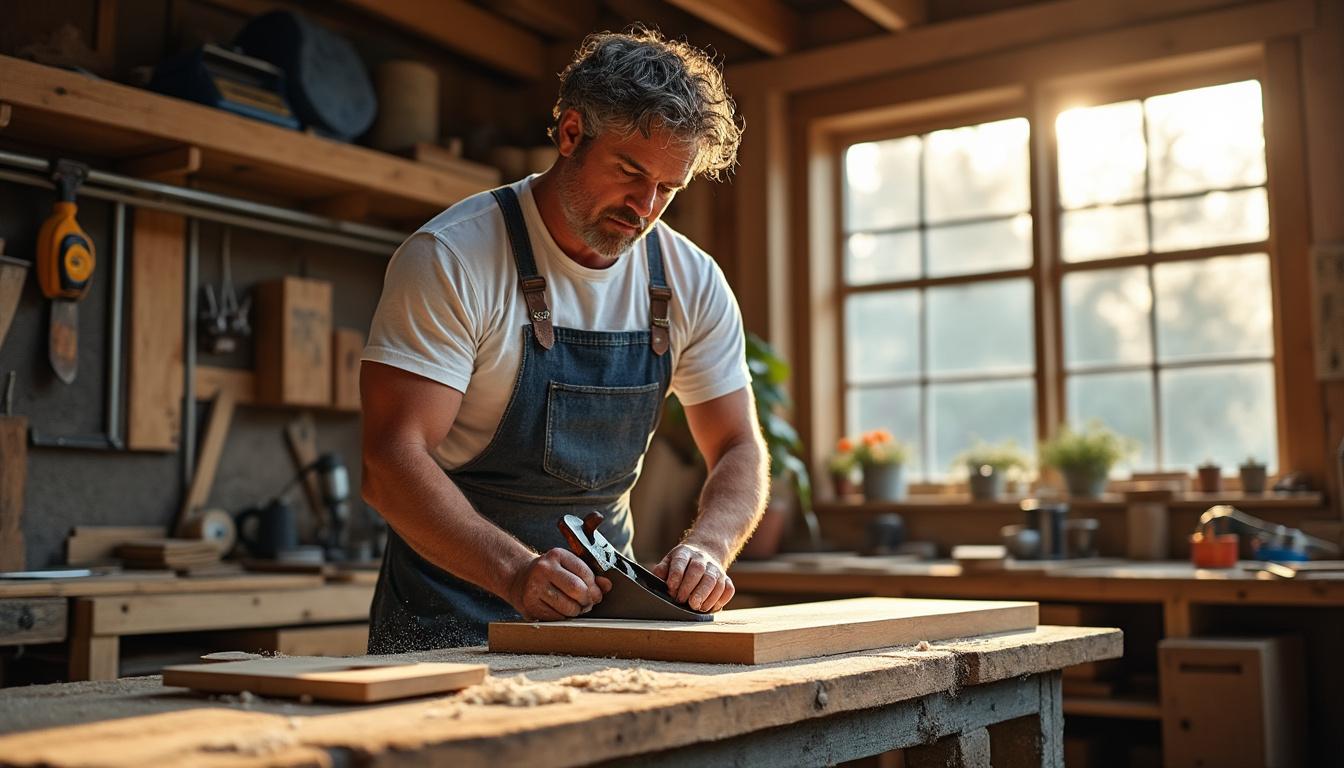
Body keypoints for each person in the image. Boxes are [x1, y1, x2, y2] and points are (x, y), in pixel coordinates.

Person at [359, 28, 769, 653]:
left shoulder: (690, 280)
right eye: (630, 172)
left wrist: (707, 548)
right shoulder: (453, 258)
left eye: (669, 188)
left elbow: (739, 444)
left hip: (607, 619)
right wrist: (515, 573)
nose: (645, 207)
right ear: (571, 134)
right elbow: (391, 462)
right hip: (448, 617)